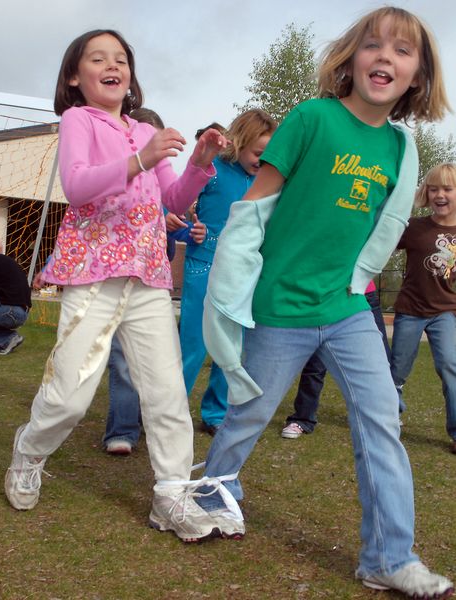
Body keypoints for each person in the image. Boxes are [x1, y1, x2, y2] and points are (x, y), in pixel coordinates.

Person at [196, 7, 455, 597]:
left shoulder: (398, 146)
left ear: (418, 75)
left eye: (402, 50)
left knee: (383, 419)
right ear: (351, 58)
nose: (385, 56)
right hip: (279, 308)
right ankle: (212, 496)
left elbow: (386, 227)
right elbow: (251, 212)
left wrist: (358, 279)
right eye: (373, 45)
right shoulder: (311, 118)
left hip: (347, 310)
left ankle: (388, 557)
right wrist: (230, 292)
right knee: (249, 413)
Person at [4, 28, 231, 543]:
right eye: (98, 58)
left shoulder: (141, 130)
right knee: (68, 398)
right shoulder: (77, 120)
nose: (113, 66)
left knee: (168, 392)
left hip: (149, 277)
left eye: (121, 59)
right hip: (93, 276)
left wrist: (197, 165)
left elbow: (172, 201)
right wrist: (143, 159)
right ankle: (30, 451)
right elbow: (79, 185)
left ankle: (171, 493)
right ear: (74, 76)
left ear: (131, 74)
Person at [103, 107, 207, 455]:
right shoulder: (118, 178)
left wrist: (180, 229)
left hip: (152, 284)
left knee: (160, 361)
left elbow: (169, 250)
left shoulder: (165, 189)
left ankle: (156, 427)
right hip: (117, 278)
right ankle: (122, 429)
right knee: (120, 358)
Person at [179, 109, 277, 436]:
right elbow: (174, 203)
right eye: (258, 154)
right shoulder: (213, 172)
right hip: (203, 267)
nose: (262, 162)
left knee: (233, 347)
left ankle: (216, 413)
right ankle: (169, 411)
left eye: (269, 156)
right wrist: (187, 227)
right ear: (240, 143)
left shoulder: (268, 181)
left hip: (243, 275)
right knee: (193, 343)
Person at [391, 162, 456, 456]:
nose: (440, 194)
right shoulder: (415, 229)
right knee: (397, 371)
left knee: (450, 367)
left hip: (446, 312)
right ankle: (390, 420)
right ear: (426, 193)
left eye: (447, 189)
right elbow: (382, 240)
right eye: (434, 189)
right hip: (410, 310)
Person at [282, 281, 391, 438]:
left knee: (381, 361)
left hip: (363, 294)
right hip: (330, 296)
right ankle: (303, 418)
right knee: (315, 364)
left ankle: (384, 419)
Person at [0, 239, 31, 355]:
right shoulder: (2, 261)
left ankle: (6, 338)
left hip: (11, 311)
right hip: (19, 311)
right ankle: (6, 339)